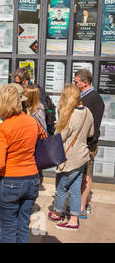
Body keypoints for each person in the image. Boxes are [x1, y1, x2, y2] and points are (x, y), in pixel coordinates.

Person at [0, 84, 42, 243]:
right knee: (23, 225)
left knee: (8, 227)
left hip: (9, 181)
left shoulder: (3, 128)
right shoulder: (33, 121)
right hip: (32, 179)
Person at [47, 84, 94, 231]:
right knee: (74, 190)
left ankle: (57, 213)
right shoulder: (87, 112)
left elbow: (59, 138)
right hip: (82, 156)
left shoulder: (69, 115)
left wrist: (57, 127)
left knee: (61, 188)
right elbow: (91, 133)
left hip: (68, 158)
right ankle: (74, 219)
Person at [73, 69, 105, 219]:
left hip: (88, 145)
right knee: (79, 175)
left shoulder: (95, 99)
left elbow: (95, 126)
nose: (75, 83)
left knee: (86, 176)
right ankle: (78, 204)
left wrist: (90, 147)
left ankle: (82, 207)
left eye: (76, 81)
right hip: (80, 144)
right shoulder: (83, 96)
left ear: (85, 82)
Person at [14, 67, 56, 136]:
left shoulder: (36, 91)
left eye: (20, 83)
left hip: (42, 130)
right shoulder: (18, 92)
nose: (18, 85)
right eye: (16, 83)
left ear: (26, 80)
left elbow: (50, 109)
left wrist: (48, 112)